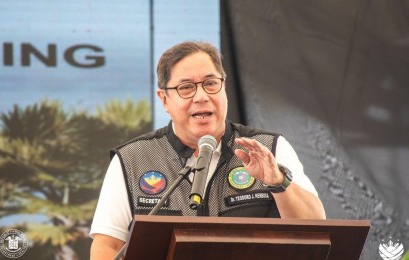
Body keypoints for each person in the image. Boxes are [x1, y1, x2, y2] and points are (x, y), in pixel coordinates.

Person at [89, 41, 326, 259]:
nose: (201, 96)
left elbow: (316, 228)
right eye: (186, 88)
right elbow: (108, 246)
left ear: (224, 89)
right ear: (164, 99)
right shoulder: (133, 159)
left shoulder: (268, 148)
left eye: (211, 84)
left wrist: (278, 181)